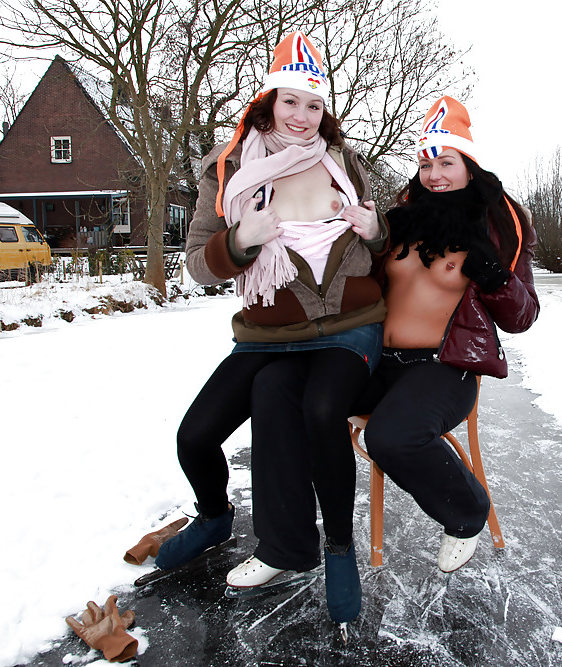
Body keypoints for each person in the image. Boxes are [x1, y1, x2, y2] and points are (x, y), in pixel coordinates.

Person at [152, 31, 386, 625]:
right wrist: (239, 241)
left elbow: (380, 246)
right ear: (268, 101)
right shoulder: (229, 168)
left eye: (315, 104)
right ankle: (213, 517)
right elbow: (198, 265)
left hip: (349, 323)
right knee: (196, 434)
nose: (304, 117)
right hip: (269, 333)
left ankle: (333, 549)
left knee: (315, 411)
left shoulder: (346, 164)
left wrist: (374, 230)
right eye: (291, 102)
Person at [353, 96, 539, 573]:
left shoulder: (499, 225)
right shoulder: (400, 223)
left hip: (446, 367)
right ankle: (303, 541)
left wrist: (495, 275)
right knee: (301, 398)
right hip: (380, 361)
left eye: (446, 162)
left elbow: (522, 316)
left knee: (391, 437)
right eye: (425, 163)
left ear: (469, 165)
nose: (434, 174)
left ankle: (466, 514)